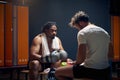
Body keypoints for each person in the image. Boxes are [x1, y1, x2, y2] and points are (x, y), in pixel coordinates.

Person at [55, 11, 113, 80]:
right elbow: (110, 55)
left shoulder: (82, 33)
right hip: (106, 71)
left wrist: (75, 63)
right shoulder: (105, 33)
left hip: (90, 70)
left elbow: (80, 59)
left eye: (77, 27)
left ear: (80, 23)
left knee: (57, 73)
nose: (78, 30)